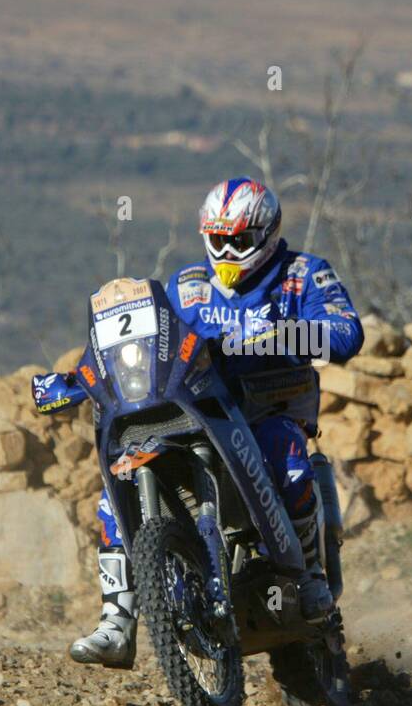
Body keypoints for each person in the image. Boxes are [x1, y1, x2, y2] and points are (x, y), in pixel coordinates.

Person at [69, 177, 364, 668]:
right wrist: (82, 375)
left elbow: (347, 333)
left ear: (267, 234)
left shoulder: (304, 274)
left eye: (239, 241)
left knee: (287, 460)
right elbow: (147, 341)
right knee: (111, 490)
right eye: (218, 238)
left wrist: (280, 336)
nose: (227, 250)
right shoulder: (188, 286)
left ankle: (309, 578)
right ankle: (116, 621)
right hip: (196, 413)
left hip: (270, 407)